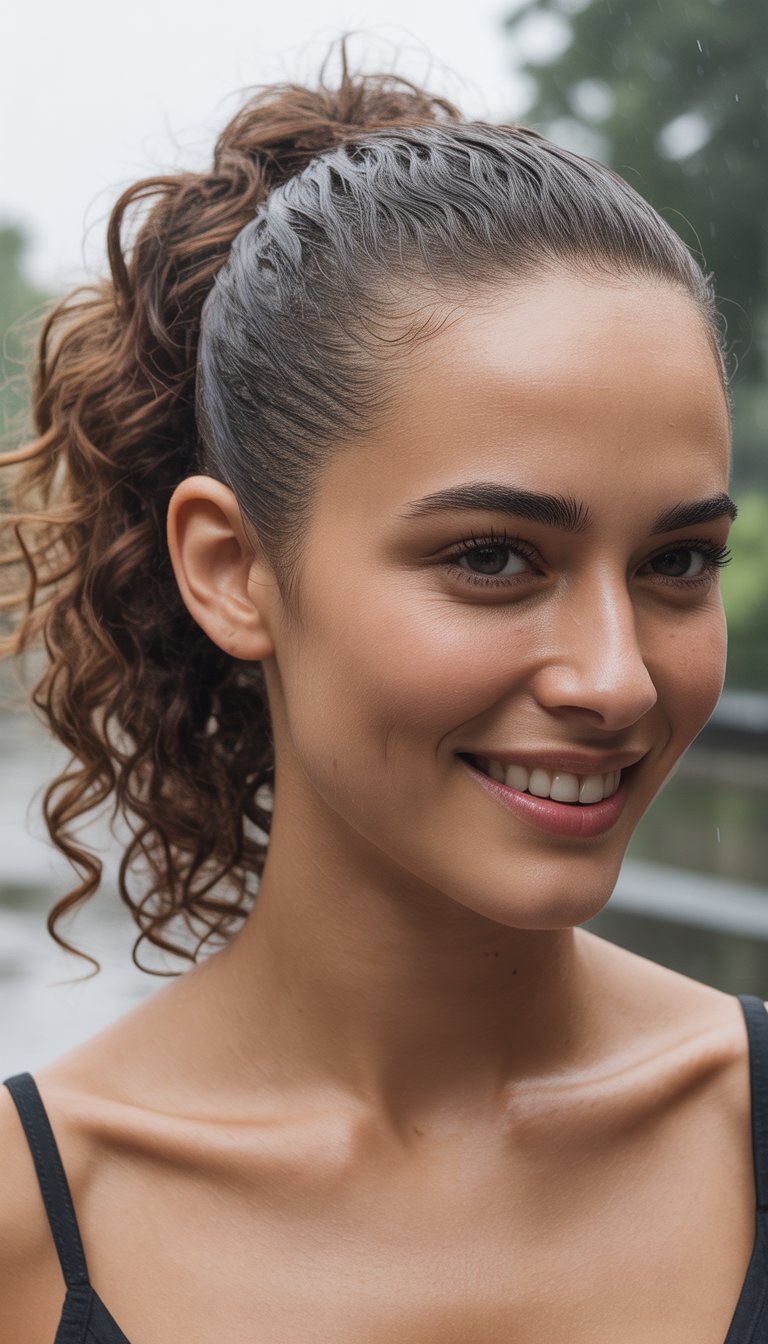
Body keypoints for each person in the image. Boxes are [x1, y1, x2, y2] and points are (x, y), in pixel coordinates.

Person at [0, 51, 761, 1344]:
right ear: (232, 572)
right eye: (492, 559)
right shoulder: (33, 1225)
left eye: (676, 562)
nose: (617, 677)